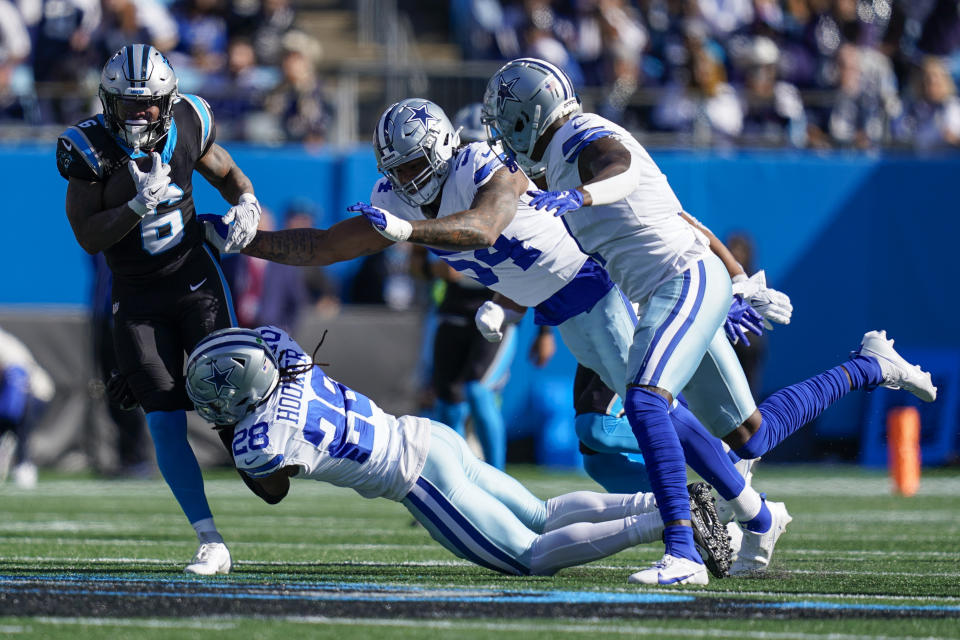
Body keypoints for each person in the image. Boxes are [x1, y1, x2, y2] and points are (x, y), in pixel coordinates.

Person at [209, 97, 794, 579]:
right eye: (394, 171)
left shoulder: (484, 163)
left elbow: (484, 226)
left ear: (440, 151)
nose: (403, 182)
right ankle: (730, 503)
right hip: (562, 310)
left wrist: (411, 230)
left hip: (600, 286)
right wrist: (244, 241)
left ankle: (745, 508)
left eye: (412, 167)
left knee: (653, 409)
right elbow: (325, 245)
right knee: (615, 432)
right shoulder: (398, 196)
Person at [469, 57, 936, 585]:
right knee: (749, 437)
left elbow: (617, 168)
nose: (501, 134)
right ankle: (867, 369)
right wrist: (739, 278)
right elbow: (676, 214)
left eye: (505, 121)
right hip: (677, 283)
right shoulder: (549, 164)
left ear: (530, 115)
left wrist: (584, 194)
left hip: (681, 280)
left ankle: (684, 554)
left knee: (646, 401)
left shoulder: (581, 134)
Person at [182, 325, 730, 577]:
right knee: (542, 513)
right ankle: (676, 503)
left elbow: (270, 490)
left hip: (415, 478)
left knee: (529, 556)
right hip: (427, 435)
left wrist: (232, 433)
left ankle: (662, 520)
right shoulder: (290, 357)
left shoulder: (261, 441)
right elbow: (265, 338)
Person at [56, 44, 263, 575]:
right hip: (136, 297)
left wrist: (246, 201)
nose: (139, 113)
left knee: (234, 406)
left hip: (195, 281)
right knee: (165, 423)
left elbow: (228, 171)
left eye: (149, 103)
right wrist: (131, 206)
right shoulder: (88, 148)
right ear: (108, 101)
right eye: (127, 103)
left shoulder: (190, 119)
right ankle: (209, 540)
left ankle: (293, 450)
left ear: (168, 101)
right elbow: (84, 235)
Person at [0, 326, 55, 489]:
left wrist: (6, 419)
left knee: (20, 429)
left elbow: (17, 381)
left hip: (33, 392)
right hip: (11, 392)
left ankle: (24, 468)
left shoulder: (4, 346)